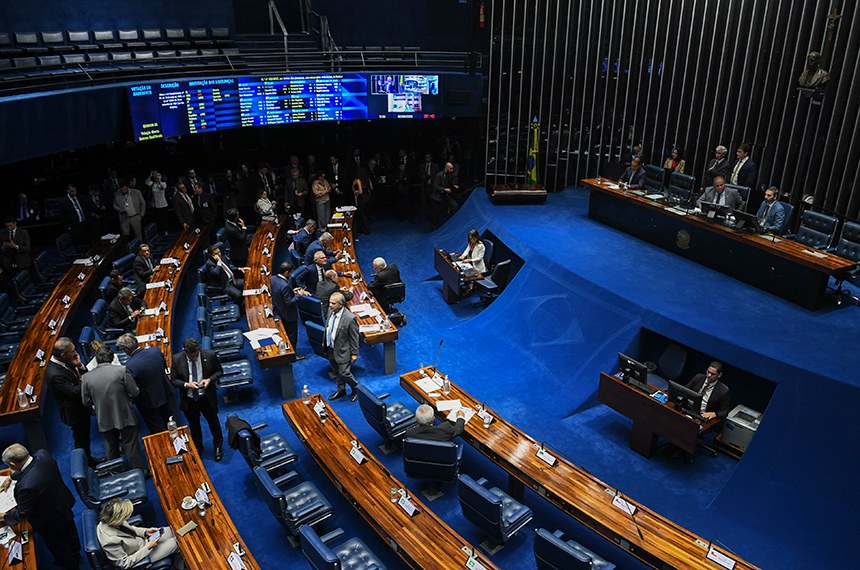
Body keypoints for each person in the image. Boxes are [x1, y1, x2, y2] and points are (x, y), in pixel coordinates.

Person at [0, 444, 81, 569]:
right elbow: (31, 468)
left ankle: (69, 564)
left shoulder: (26, 486)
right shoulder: (43, 454)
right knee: (70, 533)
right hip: (62, 503)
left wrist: (5, 516)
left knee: (58, 546)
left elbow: (22, 513)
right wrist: (10, 477)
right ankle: (77, 555)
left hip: (49, 520)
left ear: (12, 464)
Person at [81, 345, 147, 471]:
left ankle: (116, 471)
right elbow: (134, 392)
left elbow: (86, 402)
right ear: (112, 358)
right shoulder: (122, 370)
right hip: (125, 413)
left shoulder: (86, 378)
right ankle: (139, 470)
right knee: (131, 444)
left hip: (103, 417)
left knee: (111, 446)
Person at [45, 337, 103, 466]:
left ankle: (88, 459)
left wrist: (80, 366)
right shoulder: (54, 374)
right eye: (72, 351)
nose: (76, 353)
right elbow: (76, 392)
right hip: (74, 412)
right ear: (63, 355)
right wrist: (84, 380)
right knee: (81, 439)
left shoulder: (66, 360)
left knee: (84, 437)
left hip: (81, 407)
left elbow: (82, 376)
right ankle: (88, 464)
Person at [171, 337, 225, 460]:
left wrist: (209, 380)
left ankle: (218, 446)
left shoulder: (210, 355)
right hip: (189, 399)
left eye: (196, 355)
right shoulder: (177, 359)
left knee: (214, 423)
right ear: (184, 351)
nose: (194, 358)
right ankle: (199, 448)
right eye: (191, 356)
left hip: (207, 398)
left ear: (199, 349)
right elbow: (173, 380)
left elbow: (219, 371)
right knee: (194, 426)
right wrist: (186, 385)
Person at [97, 498, 183, 569]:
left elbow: (129, 529)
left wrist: (145, 532)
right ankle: (179, 567)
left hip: (143, 541)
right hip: (142, 555)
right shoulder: (109, 541)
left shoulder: (110, 521)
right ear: (116, 519)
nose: (126, 519)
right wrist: (147, 548)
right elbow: (124, 564)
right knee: (178, 542)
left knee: (174, 530)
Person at [117, 333, 176, 435]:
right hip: (165, 392)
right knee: (172, 423)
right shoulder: (155, 351)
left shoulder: (130, 366)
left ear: (126, 350)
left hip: (149, 402)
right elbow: (164, 367)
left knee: (157, 430)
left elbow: (133, 388)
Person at [325, 292, 359, 402]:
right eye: (330, 302)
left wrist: (354, 353)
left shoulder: (350, 318)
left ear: (341, 304)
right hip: (331, 347)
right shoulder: (330, 311)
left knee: (344, 373)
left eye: (333, 303)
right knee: (336, 371)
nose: (330, 305)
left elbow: (354, 337)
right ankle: (341, 389)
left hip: (344, 350)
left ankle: (356, 389)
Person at [270, 261, 309, 358]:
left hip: (278, 310)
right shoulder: (285, 285)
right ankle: (293, 355)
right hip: (288, 314)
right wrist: (299, 295)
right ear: (286, 272)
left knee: (286, 333)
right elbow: (289, 302)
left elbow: (280, 293)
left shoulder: (273, 278)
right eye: (291, 272)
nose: (291, 274)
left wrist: (292, 292)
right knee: (292, 336)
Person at [431, 162, 459, 229]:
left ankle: (450, 221)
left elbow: (449, 185)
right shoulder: (439, 175)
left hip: (445, 195)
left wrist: (454, 186)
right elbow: (435, 186)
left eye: (452, 169)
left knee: (454, 206)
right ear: (446, 168)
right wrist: (444, 189)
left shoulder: (450, 175)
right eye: (450, 169)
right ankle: (434, 226)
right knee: (437, 213)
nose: (452, 170)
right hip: (438, 196)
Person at [145, 170, 171, 235]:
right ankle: (158, 232)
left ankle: (166, 231)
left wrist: (159, 180)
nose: (157, 176)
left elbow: (163, 187)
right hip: (155, 205)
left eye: (159, 175)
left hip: (163, 205)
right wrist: (150, 175)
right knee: (157, 219)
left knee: (164, 219)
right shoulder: (152, 184)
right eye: (156, 175)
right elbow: (146, 182)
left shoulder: (163, 183)